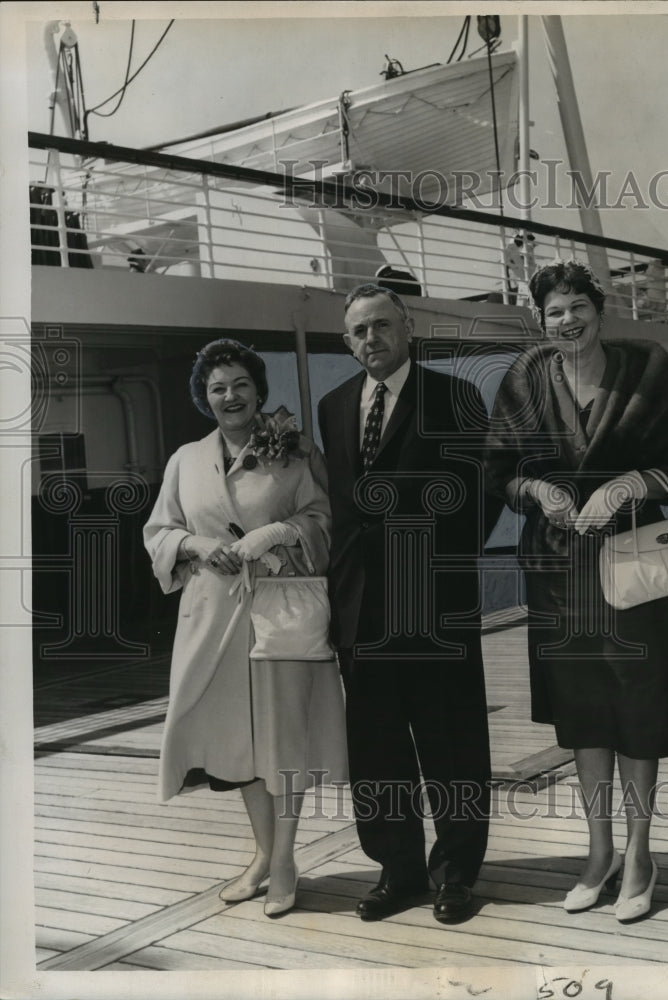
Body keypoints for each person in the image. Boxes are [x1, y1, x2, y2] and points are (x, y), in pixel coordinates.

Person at [484, 260, 668, 922]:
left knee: (637, 710)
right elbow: (499, 467)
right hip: (558, 575)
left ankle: (639, 853)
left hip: (632, 569)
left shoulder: (647, 368)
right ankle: (598, 850)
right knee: (582, 713)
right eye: (553, 312)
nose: (566, 321)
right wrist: (535, 490)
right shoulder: (526, 376)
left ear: (597, 308)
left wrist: (627, 486)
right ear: (540, 320)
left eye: (576, 306)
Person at [143, 338, 347, 917]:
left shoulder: (295, 450)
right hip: (212, 620)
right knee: (237, 744)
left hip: (279, 616)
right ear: (203, 398)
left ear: (259, 390)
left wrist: (277, 535)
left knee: (283, 740)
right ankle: (262, 854)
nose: (229, 396)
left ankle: (284, 860)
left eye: (239, 384)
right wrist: (195, 543)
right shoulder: (184, 459)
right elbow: (158, 531)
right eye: (217, 388)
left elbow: (326, 519)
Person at [318, 284, 493, 924]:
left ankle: (455, 875)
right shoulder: (334, 405)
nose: (372, 339)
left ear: (408, 327)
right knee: (378, 748)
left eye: (383, 326)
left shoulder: (455, 397)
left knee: (451, 744)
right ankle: (399, 870)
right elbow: (340, 511)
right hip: (361, 610)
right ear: (347, 341)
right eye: (360, 331)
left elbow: (482, 497)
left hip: (434, 605)